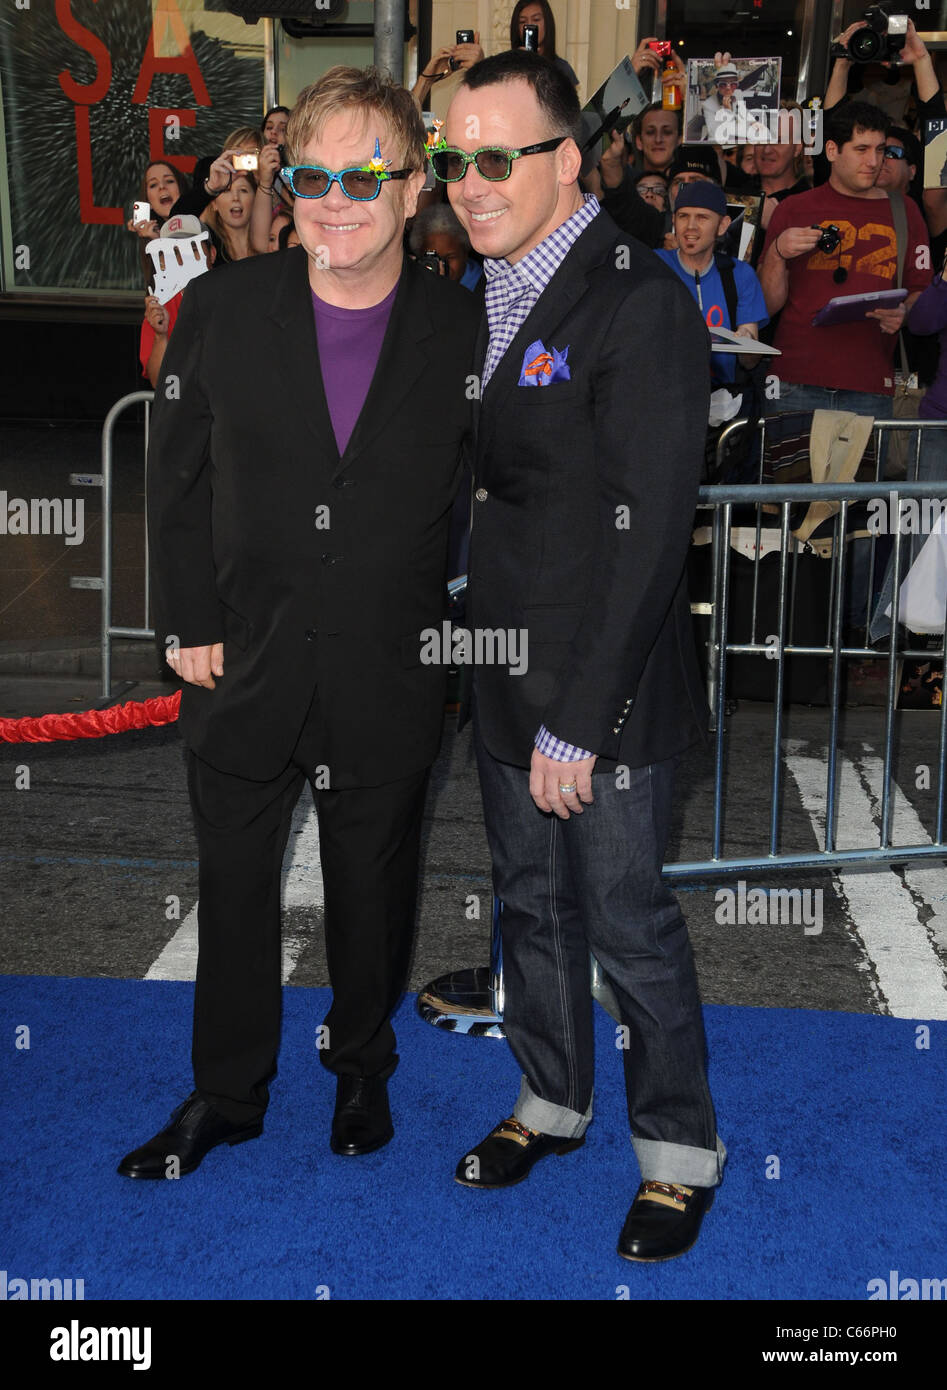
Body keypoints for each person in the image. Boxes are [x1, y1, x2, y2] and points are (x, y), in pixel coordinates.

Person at [118, 64, 481, 1179]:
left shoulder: (463, 331)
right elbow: (172, 476)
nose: (335, 199)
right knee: (233, 887)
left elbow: (497, 500)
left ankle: (361, 1067)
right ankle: (225, 1094)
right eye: (311, 174)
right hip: (244, 656)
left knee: (373, 888)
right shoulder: (221, 310)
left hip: (389, 665)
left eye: (364, 176)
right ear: (285, 181)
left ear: (413, 185)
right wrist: (184, 619)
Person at [437, 48, 724, 1262]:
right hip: (498, 667)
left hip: (601, 692)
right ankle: (550, 1099)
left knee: (626, 920)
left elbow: (651, 527)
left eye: (496, 157)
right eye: (454, 160)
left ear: (567, 159)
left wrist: (581, 719)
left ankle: (676, 1154)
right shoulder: (475, 289)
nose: (468, 181)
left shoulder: (638, 298)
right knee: (529, 910)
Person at [656, 182, 768, 384]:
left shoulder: (739, 274)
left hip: (722, 398)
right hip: (661, 394)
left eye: (702, 217)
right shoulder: (654, 265)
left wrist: (745, 342)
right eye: (683, 216)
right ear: (673, 221)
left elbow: (750, 362)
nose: (690, 226)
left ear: (723, 225)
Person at [408, 202, 482, 288]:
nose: (442, 265)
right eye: (433, 258)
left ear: (465, 254)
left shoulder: (483, 288)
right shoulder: (413, 286)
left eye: (450, 257)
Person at [509, 1, 577, 89]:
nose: (530, 25)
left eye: (536, 19)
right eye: (522, 21)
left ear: (547, 23)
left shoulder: (562, 69)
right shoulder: (509, 66)